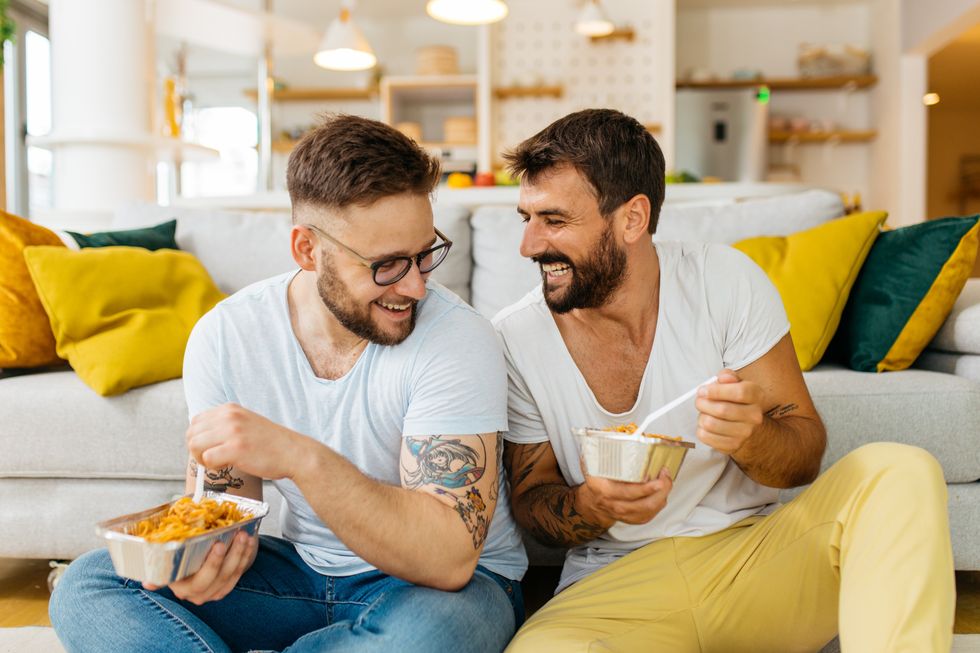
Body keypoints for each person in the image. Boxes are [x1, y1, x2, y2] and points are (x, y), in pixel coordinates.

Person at [50, 114, 527, 653]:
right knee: (89, 586)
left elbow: (447, 557)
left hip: (444, 589)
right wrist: (205, 556)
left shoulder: (459, 339)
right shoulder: (227, 335)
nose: (415, 286)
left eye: (424, 255)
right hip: (300, 577)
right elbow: (227, 512)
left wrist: (301, 457)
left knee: (429, 635)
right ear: (307, 250)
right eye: (388, 265)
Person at [493, 108, 955, 652]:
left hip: (754, 559)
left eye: (554, 220)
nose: (528, 245)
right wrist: (595, 504)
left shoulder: (723, 281)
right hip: (613, 587)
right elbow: (531, 502)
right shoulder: (515, 338)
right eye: (525, 217)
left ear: (632, 219)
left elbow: (803, 452)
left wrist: (754, 437)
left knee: (899, 470)